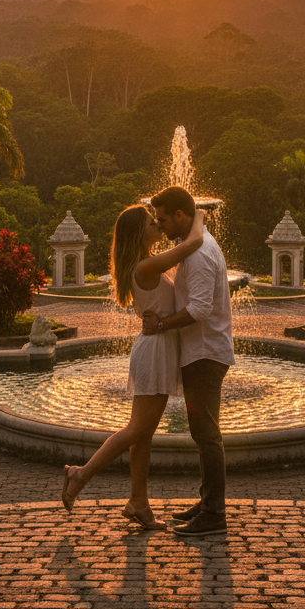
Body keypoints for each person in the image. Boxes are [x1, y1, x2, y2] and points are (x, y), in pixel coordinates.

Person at [61, 203, 206, 528]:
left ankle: (138, 502)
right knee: (138, 429)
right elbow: (193, 243)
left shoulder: (145, 264)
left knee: (144, 433)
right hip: (154, 351)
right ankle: (79, 475)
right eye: (151, 222)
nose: (158, 224)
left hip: (156, 348)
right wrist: (199, 215)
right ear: (139, 232)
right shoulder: (146, 267)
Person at [143, 185, 235, 536]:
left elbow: (199, 309)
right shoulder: (197, 244)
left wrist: (161, 325)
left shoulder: (197, 254)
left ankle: (214, 514)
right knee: (203, 433)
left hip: (205, 354)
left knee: (206, 434)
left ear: (181, 216)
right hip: (204, 352)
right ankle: (207, 502)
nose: (161, 225)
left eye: (164, 219)